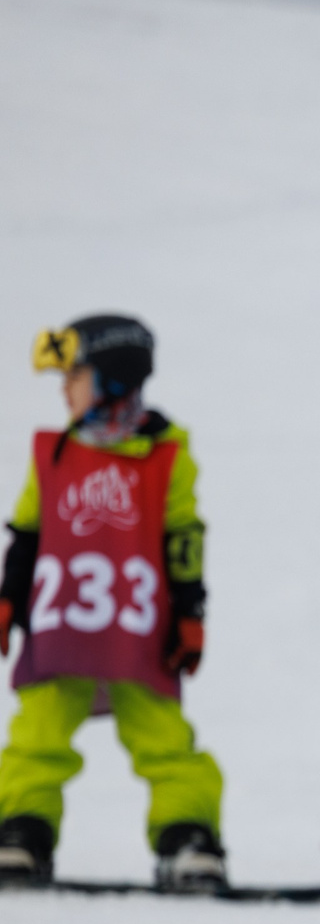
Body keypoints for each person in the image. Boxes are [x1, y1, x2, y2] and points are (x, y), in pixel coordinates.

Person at [0, 316, 225, 889]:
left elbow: (182, 537)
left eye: (74, 376)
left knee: (164, 738)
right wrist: (9, 600)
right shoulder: (53, 452)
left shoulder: (167, 455)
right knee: (38, 733)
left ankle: (186, 835)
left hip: (135, 629)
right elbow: (28, 531)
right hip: (64, 625)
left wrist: (190, 615)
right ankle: (21, 829)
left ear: (112, 380)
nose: (63, 390)